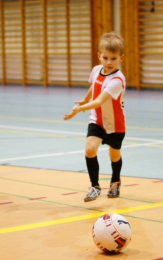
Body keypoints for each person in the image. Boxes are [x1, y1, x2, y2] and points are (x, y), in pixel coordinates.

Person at [64, 32, 126, 202]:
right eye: (105, 58)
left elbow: (99, 101)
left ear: (121, 58)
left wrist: (79, 109)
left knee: (114, 155)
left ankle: (115, 181)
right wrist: (85, 99)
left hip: (115, 124)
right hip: (96, 120)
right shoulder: (96, 70)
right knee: (90, 149)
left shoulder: (118, 80)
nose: (108, 62)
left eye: (113, 58)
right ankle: (95, 186)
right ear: (99, 56)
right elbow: (94, 86)